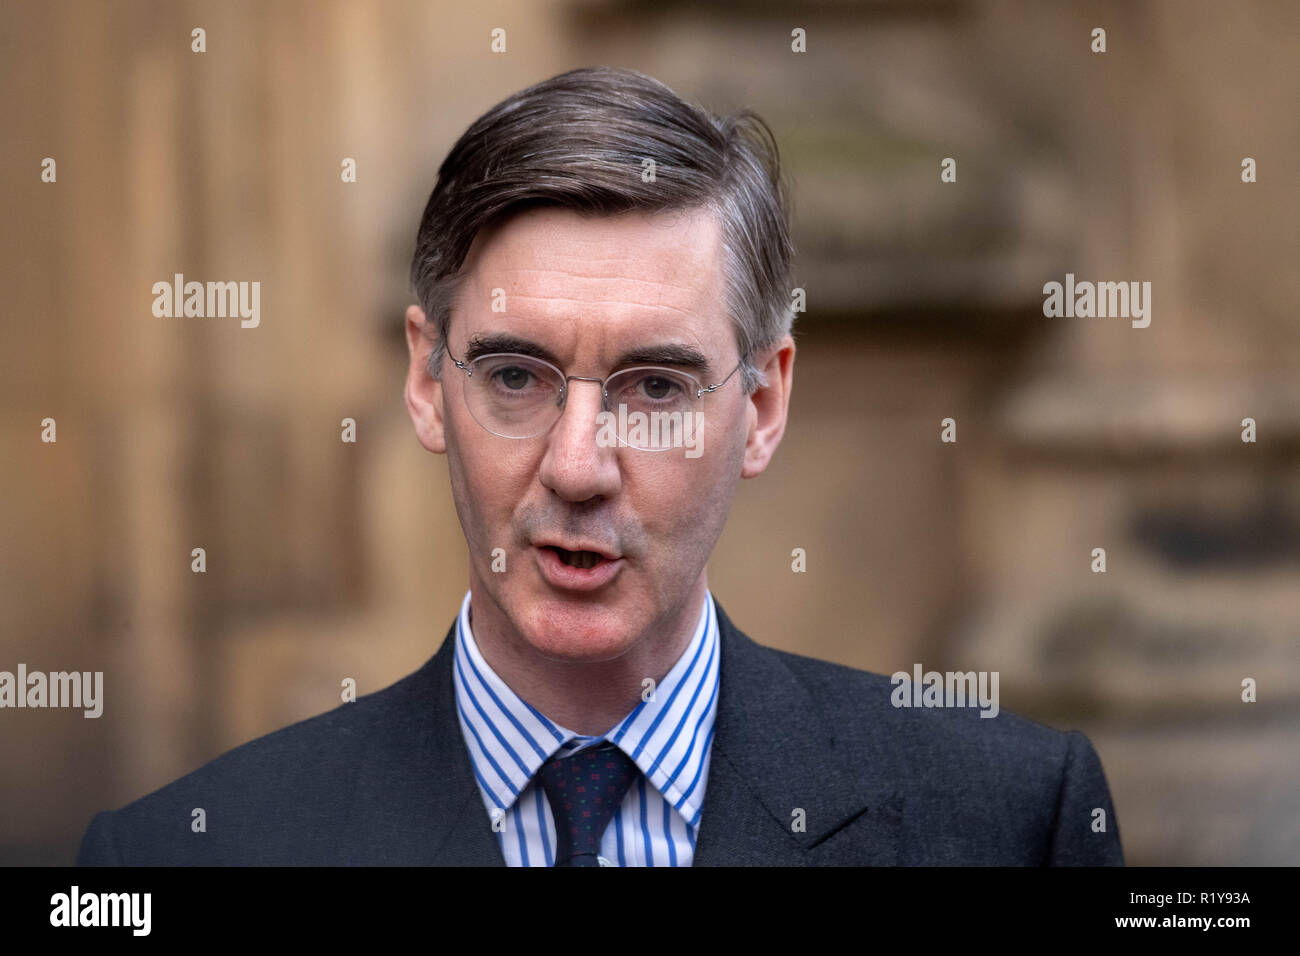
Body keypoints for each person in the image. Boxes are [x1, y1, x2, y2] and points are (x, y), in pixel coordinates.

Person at [77, 66, 1123, 866]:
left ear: (761, 405)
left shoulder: (1004, 819)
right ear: (425, 379)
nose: (578, 465)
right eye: (517, 376)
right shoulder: (190, 853)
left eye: (655, 387)